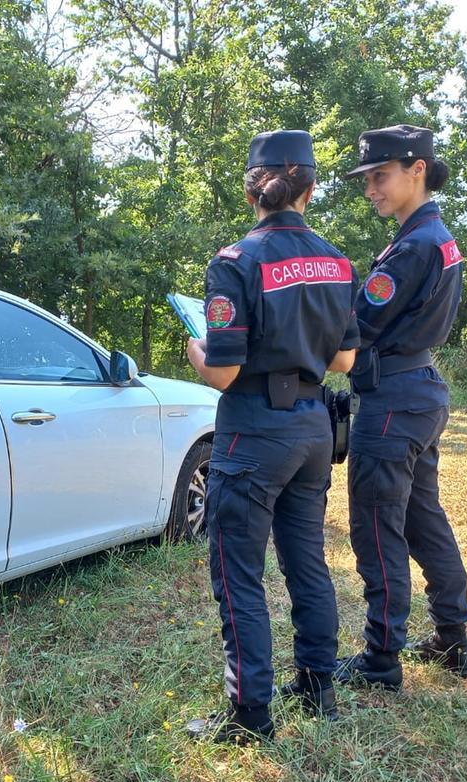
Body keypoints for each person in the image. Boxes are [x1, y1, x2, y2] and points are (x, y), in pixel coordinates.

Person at [184, 129, 359, 744]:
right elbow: (343, 360)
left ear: (253, 189)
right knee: (306, 561)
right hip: (314, 428)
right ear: (309, 187)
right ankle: (318, 682)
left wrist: (195, 349)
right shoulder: (338, 264)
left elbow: (225, 370)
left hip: (254, 432)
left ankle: (250, 714)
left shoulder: (234, 263)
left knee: (238, 573)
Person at [334, 123, 467, 692]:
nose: (371, 189)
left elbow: (357, 327)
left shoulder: (413, 247)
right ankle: (452, 638)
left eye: (380, 176)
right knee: (421, 518)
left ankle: (380, 659)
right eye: (367, 179)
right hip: (417, 388)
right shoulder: (436, 236)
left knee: (376, 527)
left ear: (418, 169)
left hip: (392, 399)